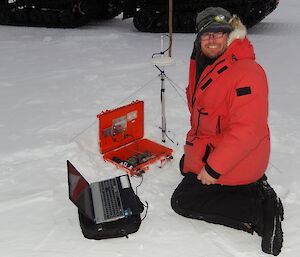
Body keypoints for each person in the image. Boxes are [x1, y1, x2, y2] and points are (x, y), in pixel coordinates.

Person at [171, 7, 284, 256]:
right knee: (186, 169)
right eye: (205, 34)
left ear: (231, 36)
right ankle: (253, 187)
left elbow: (248, 131)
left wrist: (213, 168)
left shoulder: (247, 73)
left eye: (218, 33)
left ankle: (261, 211)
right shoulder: (208, 63)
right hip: (217, 144)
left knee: (182, 201)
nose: (212, 39)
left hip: (241, 154)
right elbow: (200, 106)